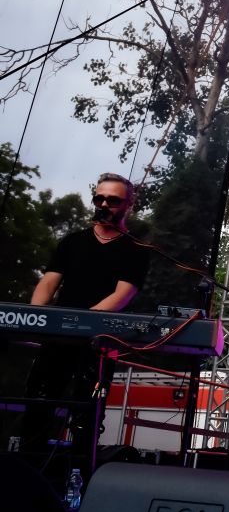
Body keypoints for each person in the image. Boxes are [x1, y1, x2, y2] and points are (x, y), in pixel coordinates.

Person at [23, 172, 149, 456]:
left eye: (112, 200)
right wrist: (36, 317)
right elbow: (48, 283)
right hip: (57, 339)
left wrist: (81, 324)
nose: (103, 204)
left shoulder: (136, 250)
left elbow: (122, 295)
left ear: (129, 204)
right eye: (99, 198)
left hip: (98, 343)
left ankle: (79, 474)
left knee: (87, 414)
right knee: (39, 405)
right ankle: (27, 468)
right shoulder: (72, 242)